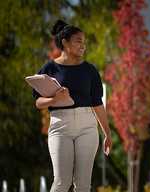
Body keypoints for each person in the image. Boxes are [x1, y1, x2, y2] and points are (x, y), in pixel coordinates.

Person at [33, 19, 112, 192]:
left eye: (84, 42)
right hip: (60, 126)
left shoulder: (90, 70)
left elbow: (97, 103)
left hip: (87, 127)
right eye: (78, 41)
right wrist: (55, 100)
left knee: (83, 185)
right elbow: (38, 102)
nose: (83, 46)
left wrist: (107, 133)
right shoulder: (49, 68)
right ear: (65, 43)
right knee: (62, 181)